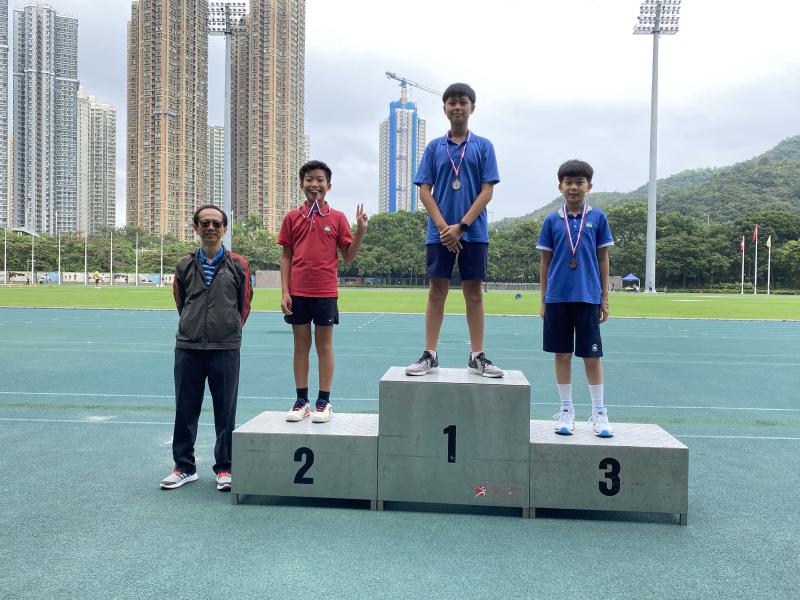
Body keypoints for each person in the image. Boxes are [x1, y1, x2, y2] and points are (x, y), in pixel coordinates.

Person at [405, 82, 503, 378]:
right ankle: (430, 354)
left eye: (463, 102)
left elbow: (487, 191)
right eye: (452, 102)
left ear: (472, 107)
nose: (457, 107)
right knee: (437, 291)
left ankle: (477, 356)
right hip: (439, 233)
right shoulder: (435, 147)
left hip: (473, 232)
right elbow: (424, 190)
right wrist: (442, 227)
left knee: (474, 293)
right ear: (444, 108)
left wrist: (461, 226)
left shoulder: (484, 146)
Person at [160, 205, 253, 491]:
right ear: (196, 228)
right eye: (205, 223)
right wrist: (192, 324)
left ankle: (225, 468)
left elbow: (244, 304)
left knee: (226, 410)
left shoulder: (238, 264)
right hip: (188, 346)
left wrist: (229, 329)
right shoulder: (185, 265)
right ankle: (184, 467)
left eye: (216, 223)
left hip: (225, 346)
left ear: (225, 229)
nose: (211, 228)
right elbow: (181, 300)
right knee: (185, 408)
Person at [279, 160, 368, 423]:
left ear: (328, 185)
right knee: (300, 346)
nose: (314, 184)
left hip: (326, 291)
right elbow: (286, 256)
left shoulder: (337, 218)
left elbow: (349, 257)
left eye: (319, 180)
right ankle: (301, 400)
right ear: (301, 184)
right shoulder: (292, 217)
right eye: (309, 179)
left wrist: (360, 231)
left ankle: (324, 402)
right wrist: (285, 291)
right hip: (298, 292)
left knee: (324, 346)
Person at [536, 160, 614, 437]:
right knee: (562, 354)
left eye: (579, 182)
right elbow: (545, 263)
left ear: (589, 186)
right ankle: (566, 409)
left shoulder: (598, 219)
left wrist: (604, 298)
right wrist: (543, 298)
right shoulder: (551, 221)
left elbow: (603, 258)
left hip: (588, 296)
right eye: (568, 182)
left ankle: (599, 412)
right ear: (560, 186)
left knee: (592, 356)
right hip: (557, 297)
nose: (573, 187)